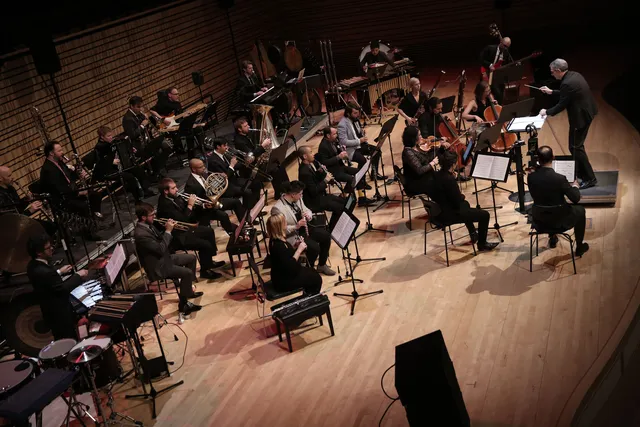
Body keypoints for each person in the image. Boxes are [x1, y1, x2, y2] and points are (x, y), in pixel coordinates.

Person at [134, 203, 202, 317]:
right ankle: (183, 305)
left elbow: (160, 241)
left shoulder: (148, 225)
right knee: (187, 273)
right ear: (143, 217)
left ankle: (187, 291)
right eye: (151, 215)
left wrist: (168, 227)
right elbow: (160, 249)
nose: (154, 216)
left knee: (191, 258)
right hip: (158, 267)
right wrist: (168, 231)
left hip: (165, 258)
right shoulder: (140, 234)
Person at [539, 59, 598, 189]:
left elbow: (561, 105)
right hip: (587, 111)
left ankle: (590, 178)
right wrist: (552, 92)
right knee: (574, 147)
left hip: (580, 117)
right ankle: (583, 173)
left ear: (559, 71)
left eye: (552, 72)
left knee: (576, 147)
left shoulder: (566, 83)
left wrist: (546, 111)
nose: (552, 74)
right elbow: (569, 94)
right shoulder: (574, 75)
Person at [429, 150, 499, 251]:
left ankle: (473, 234)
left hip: (439, 210)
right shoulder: (449, 180)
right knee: (484, 215)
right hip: (450, 214)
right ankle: (482, 244)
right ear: (453, 165)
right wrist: (461, 195)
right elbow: (457, 200)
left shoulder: (437, 174)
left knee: (465, 204)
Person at [156, 178, 225, 280]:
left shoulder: (175, 197)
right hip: (178, 236)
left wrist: (203, 205)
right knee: (204, 244)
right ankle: (205, 271)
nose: (176, 190)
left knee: (209, 231)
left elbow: (189, 213)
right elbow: (183, 219)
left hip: (185, 230)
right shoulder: (164, 205)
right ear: (165, 191)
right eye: (173, 188)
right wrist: (190, 205)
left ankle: (209, 262)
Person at [527, 146, 589, 256]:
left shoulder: (531, 177)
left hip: (539, 221)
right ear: (553, 157)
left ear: (538, 159)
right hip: (560, 222)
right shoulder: (560, 179)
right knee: (580, 210)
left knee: (547, 204)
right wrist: (575, 186)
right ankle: (579, 247)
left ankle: (552, 238)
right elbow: (575, 199)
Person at [26, 234, 89, 340]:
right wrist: (78, 275)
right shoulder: (44, 271)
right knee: (69, 340)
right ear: (39, 252)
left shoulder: (32, 265)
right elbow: (62, 289)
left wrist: (59, 272)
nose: (52, 248)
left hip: (51, 311)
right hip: (60, 314)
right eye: (48, 248)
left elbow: (47, 281)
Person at [270, 181, 336, 276]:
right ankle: (309, 270)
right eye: (300, 194)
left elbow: (306, 209)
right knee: (314, 248)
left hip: (305, 230)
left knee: (326, 236)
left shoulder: (297, 199)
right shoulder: (278, 209)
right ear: (293, 194)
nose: (301, 196)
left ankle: (322, 265)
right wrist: (296, 226)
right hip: (293, 236)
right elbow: (279, 230)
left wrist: (308, 214)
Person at [39, 141, 103, 231]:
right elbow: (60, 189)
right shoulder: (48, 170)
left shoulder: (59, 162)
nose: (62, 152)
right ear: (51, 153)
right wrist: (78, 193)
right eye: (59, 150)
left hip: (70, 192)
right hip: (61, 200)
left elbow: (69, 176)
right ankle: (89, 231)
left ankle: (94, 222)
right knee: (83, 205)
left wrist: (78, 173)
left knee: (95, 195)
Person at [232, 117, 289, 199]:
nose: (248, 126)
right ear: (239, 129)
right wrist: (263, 146)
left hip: (256, 162)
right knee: (275, 169)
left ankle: (287, 189)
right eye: (245, 126)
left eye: (247, 124)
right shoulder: (239, 141)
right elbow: (250, 156)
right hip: (250, 168)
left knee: (279, 165)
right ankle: (279, 193)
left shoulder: (246, 135)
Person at [92, 125, 155, 201]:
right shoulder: (99, 147)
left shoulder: (112, 142)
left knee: (137, 169)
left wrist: (130, 149)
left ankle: (145, 190)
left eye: (111, 135)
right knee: (130, 177)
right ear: (102, 137)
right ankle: (137, 198)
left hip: (119, 166)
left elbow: (122, 147)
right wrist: (111, 161)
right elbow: (99, 162)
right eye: (108, 136)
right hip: (109, 171)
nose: (111, 137)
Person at [316, 126, 374, 207]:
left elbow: (338, 151)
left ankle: (362, 198)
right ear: (328, 136)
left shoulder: (334, 141)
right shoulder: (323, 147)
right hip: (333, 171)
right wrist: (338, 157)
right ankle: (347, 199)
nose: (337, 135)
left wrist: (343, 153)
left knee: (358, 172)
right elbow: (325, 162)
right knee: (351, 179)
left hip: (340, 167)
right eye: (334, 134)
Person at [266, 213, 322, 296]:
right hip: (284, 282)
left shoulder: (275, 240)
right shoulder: (278, 246)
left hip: (282, 275)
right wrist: (299, 250)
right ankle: (310, 300)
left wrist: (296, 245)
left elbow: (286, 254)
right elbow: (291, 266)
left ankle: (308, 296)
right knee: (316, 278)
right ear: (279, 227)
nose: (286, 223)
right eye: (284, 222)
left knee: (312, 272)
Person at [183, 158, 242, 234]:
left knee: (236, 202)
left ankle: (245, 225)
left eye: (203, 165)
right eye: (201, 167)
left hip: (215, 201)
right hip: (205, 209)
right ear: (194, 169)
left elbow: (213, 187)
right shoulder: (190, 185)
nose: (204, 168)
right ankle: (234, 233)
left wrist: (221, 178)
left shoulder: (204, 174)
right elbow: (194, 204)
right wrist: (205, 205)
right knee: (224, 216)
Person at [122, 95, 172, 179]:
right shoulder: (127, 118)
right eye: (138, 107)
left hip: (146, 142)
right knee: (158, 147)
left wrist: (147, 119)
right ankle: (154, 173)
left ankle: (156, 171)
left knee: (166, 146)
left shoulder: (139, 114)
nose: (140, 109)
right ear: (131, 106)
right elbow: (132, 135)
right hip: (138, 147)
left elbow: (147, 126)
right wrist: (142, 126)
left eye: (141, 106)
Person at [0, 166, 57, 236]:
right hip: (13, 230)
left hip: (21, 223)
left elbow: (18, 207)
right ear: (0, 178)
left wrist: (27, 200)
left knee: (50, 225)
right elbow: (11, 219)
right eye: (9, 176)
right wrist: (30, 211)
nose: (12, 177)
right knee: (46, 228)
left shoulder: (11, 188)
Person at [207, 138, 261, 210]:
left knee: (256, 183)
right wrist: (232, 165)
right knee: (247, 192)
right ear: (218, 147)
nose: (227, 147)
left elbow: (236, 166)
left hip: (234, 180)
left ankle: (255, 209)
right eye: (224, 145)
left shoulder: (224, 154)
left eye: (227, 145)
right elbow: (224, 178)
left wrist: (246, 162)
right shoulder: (213, 161)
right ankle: (247, 213)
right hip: (226, 186)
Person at [337, 103, 385, 180]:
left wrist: (361, 133)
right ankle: (360, 180)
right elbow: (343, 142)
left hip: (359, 146)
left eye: (358, 113)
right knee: (362, 160)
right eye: (355, 113)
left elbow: (356, 133)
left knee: (377, 151)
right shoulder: (342, 125)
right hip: (350, 150)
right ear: (348, 113)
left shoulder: (355, 120)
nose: (357, 115)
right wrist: (359, 140)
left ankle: (374, 174)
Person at [297, 146, 346, 217]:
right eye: (311, 152)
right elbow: (314, 191)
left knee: (343, 201)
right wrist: (326, 180)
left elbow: (314, 179)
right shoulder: (304, 172)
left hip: (320, 196)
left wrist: (320, 172)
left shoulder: (310, 164)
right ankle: (332, 227)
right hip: (314, 201)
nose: (313, 154)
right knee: (339, 207)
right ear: (305, 156)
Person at [401, 126, 441, 196]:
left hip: (424, 178)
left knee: (443, 177)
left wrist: (438, 148)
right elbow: (420, 170)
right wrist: (433, 163)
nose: (421, 137)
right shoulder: (408, 152)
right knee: (443, 180)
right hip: (416, 183)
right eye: (419, 135)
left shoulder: (415, 147)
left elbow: (426, 159)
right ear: (413, 138)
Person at [480, 37, 512, 103]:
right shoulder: (490, 48)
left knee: (501, 90)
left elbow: (508, 63)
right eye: (505, 46)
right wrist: (490, 65)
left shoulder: (506, 52)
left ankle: (498, 107)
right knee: (493, 91)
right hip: (487, 71)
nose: (505, 48)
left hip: (497, 73)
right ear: (501, 42)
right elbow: (481, 59)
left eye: (507, 47)